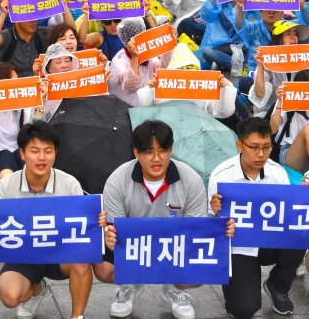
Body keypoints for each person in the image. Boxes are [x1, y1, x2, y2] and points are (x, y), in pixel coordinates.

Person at [95, 119, 226, 319]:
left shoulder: (190, 179)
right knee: (103, 269)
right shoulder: (117, 180)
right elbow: (116, 230)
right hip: (134, 246)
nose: (156, 158)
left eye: (162, 150)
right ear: (136, 153)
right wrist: (110, 239)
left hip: (174, 245)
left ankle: (175, 289)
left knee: (201, 271)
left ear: (171, 149)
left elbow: (194, 231)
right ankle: (129, 284)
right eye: (148, 152)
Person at [208, 117, 309, 319]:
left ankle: (278, 285)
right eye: (254, 147)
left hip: (270, 241)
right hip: (238, 247)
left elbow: (289, 211)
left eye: (266, 147)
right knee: (243, 309)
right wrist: (215, 214)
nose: (261, 154)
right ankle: (241, 285)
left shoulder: (277, 172)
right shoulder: (221, 176)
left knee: (301, 230)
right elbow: (210, 229)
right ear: (239, 145)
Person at [0, 121, 100, 319]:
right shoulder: (5, 186)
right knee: (9, 296)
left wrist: (96, 223)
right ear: (22, 154)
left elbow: (82, 230)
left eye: (48, 151)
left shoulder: (70, 184)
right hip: (22, 255)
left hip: (60, 254)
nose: (42, 157)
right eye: (34, 150)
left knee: (82, 260)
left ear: (55, 153)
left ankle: (77, 316)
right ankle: (38, 289)